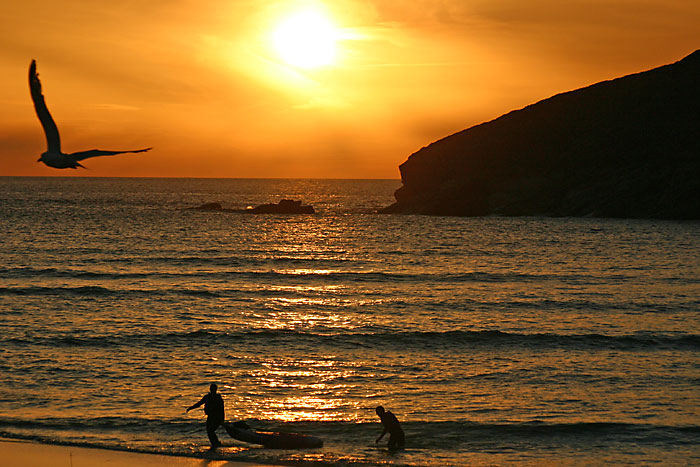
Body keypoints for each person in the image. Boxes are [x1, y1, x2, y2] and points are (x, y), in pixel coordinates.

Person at [186, 383, 225, 448]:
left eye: (214, 389)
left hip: (217, 417)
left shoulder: (218, 398)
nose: (213, 390)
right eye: (212, 389)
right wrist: (191, 408)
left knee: (210, 431)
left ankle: (216, 444)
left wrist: (222, 420)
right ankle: (215, 444)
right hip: (210, 417)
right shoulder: (207, 397)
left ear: (216, 389)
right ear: (210, 389)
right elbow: (199, 403)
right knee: (209, 431)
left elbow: (222, 410)